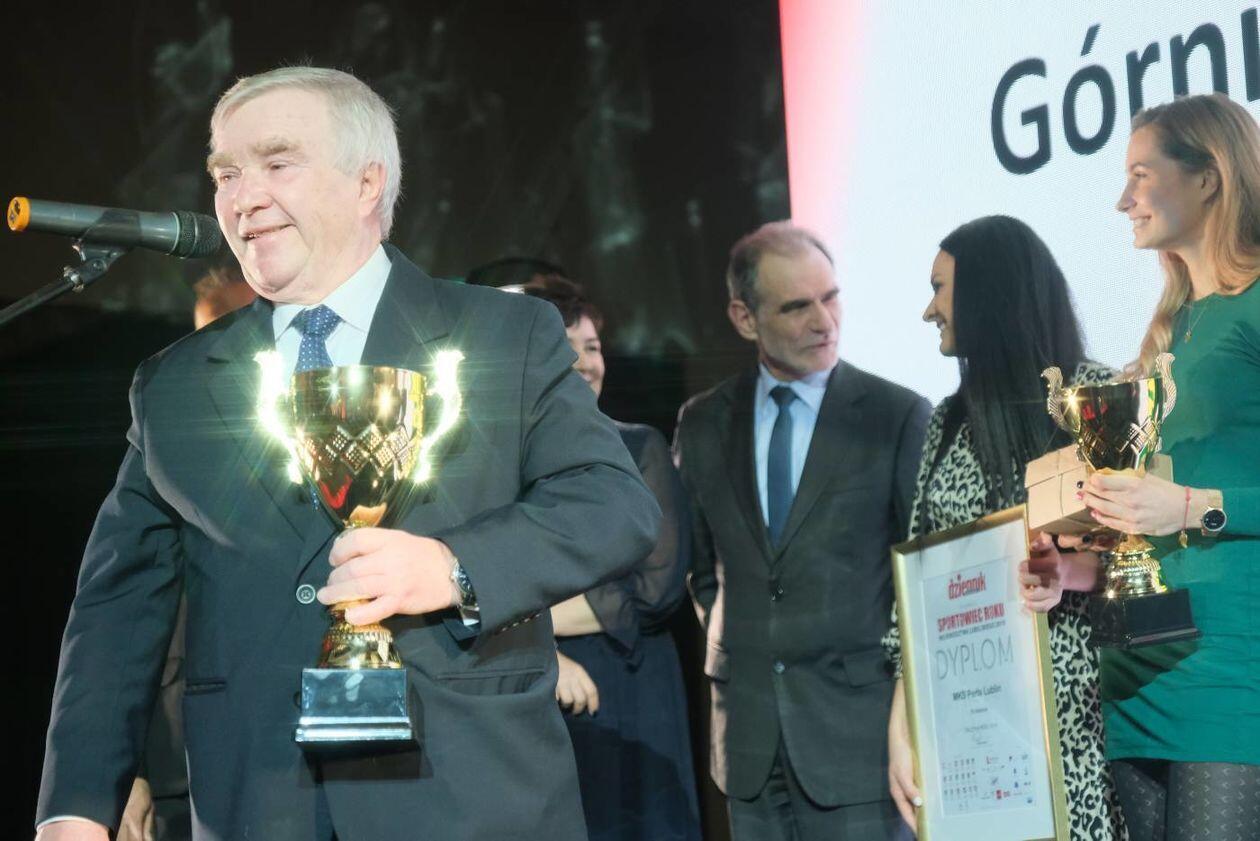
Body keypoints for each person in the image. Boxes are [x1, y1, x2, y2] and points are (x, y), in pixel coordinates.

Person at [35, 66, 660, 841]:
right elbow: (117, 609)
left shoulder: (505, 336)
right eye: (226, 174)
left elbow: (613, 503)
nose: (242, 196)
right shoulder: (176, 384)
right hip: (257, 804)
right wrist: (75, 804)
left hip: (468, 797)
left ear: (368, 184)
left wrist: (454, 567)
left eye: (276, 163)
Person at [1045, 92, 1260, 841]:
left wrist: (1194, 507)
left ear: (1208, 177)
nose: (1122, 200)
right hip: (1139, 660)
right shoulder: (1172, 328)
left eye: (1141, 174)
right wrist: (1074, 563)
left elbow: (1185, 503)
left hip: (1232, 664)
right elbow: (1147, 514)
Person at [673, 221, 931, 840]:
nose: (824, 321)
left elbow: (919, 572)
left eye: (831, 297)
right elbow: (701, 567)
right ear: (744, 318)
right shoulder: (703, 422)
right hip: (748, 739)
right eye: (797, 306)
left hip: (860, 738)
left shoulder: (896, 415)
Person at [882, 215, 1128, 840]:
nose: (928, 311)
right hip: (968, 724)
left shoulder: (1091, 399)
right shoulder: (947, 421)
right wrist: (902, 726)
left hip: (1074, 720)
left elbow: (1132, 555)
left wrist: (1065, 573)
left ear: (987, 292)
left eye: (939, 288)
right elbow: (917, 588)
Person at [517, 272, 702, 841]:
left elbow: (655, 589)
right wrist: (543, 655)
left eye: (593, 347)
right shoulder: (505, 465)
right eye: (566, 346)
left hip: (631, 685)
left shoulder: (638, 447)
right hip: (536, 691)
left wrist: (528, 624)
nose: (585, 362)